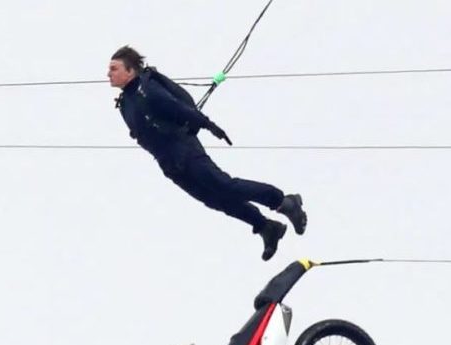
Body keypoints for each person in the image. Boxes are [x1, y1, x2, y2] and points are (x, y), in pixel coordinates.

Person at [108, 45, 307, 261]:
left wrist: (208, 124)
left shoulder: (146, 89)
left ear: (130, 71)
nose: (109, 74)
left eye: (114, 68)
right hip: (169, 163)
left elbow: (177, 107)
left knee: (224, 185)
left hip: (184, 150)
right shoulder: (125, 103)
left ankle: (284, 202)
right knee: (213, 199)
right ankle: (266, 227)